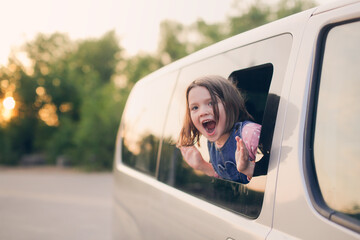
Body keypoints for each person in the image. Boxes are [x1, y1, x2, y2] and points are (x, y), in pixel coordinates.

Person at [177, 75, 261, 184]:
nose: (202, 112)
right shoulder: (212, 143)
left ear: (230, 104)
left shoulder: (250, 133)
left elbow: (277, 173)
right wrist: (202, 165)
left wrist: (249, 168)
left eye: (211, 103)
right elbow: (226, 181)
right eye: (195, 107)